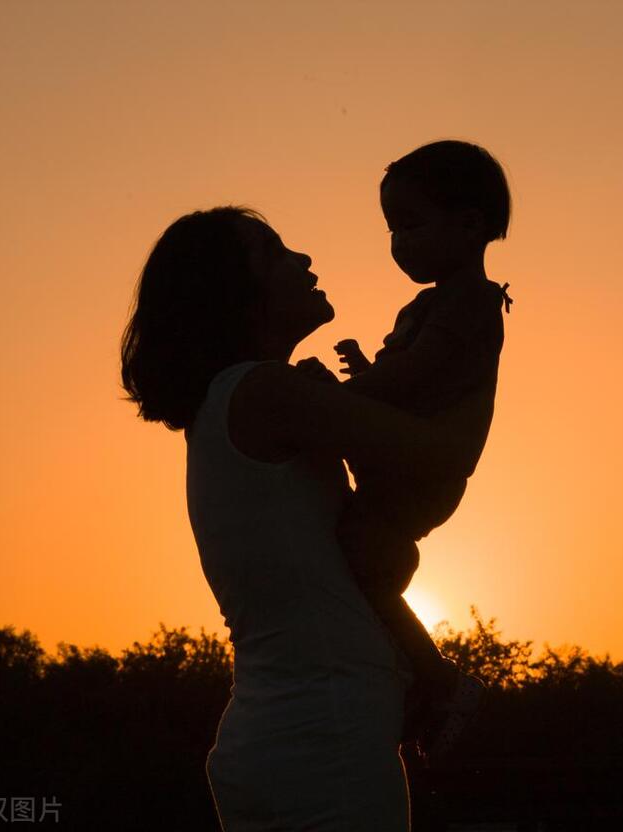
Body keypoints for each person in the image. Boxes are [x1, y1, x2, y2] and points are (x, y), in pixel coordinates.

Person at [120, 205, 488, 829]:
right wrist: (481, 346)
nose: (303, 260)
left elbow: (373, 514)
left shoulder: (241, 400)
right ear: (237, 294)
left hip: (293, 739)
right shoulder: (265, 392)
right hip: (323, 745)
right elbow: (440, 457)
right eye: (275, 252)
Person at [297, 140, 513, 757]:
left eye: (412, 225)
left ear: (469, 225)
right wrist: (363, 373)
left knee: (363, 560)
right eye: (392, 230)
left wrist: (342, 398)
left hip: (421, 473)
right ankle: (416, 680)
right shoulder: (428, 304)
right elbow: (409, 377)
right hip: (400, 465)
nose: (398, 244)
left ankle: (437, 679)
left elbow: (416, 379)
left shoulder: (471, 301)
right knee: (357, 564)